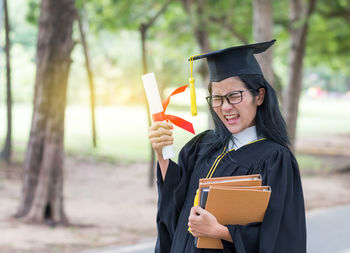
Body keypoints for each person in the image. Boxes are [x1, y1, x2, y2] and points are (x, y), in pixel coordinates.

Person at [148, 40, 306, 253]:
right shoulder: (202, 146)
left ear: (259, 96)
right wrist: (162, 154)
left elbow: (281, 237)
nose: (225, 107)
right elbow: (175, 204)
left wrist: (220, 231)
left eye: (234, 96)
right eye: (217, 98)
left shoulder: (275, 160)